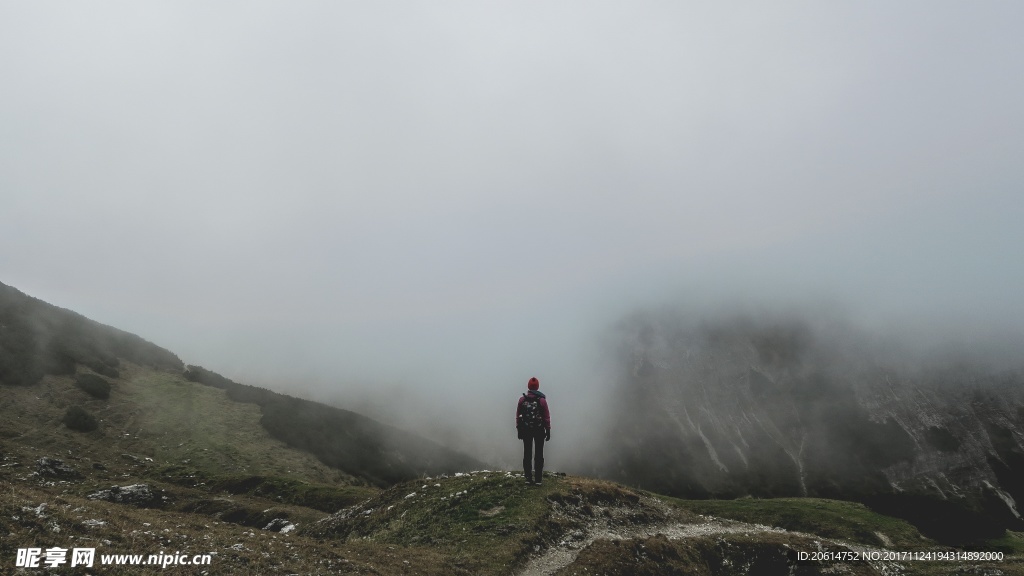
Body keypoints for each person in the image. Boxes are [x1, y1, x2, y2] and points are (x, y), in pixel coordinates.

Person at [516, 376, 551, 485]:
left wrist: (519, 429)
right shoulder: (542, 400)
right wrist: (548, 430)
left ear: (528, 386)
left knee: (527, 453)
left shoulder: (522, 400)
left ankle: (528, 478)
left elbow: (518, 416)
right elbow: (546, 417)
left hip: (526, 430)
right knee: (539, 454)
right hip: (539, 430)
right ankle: (538, 479)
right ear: (537, 387)